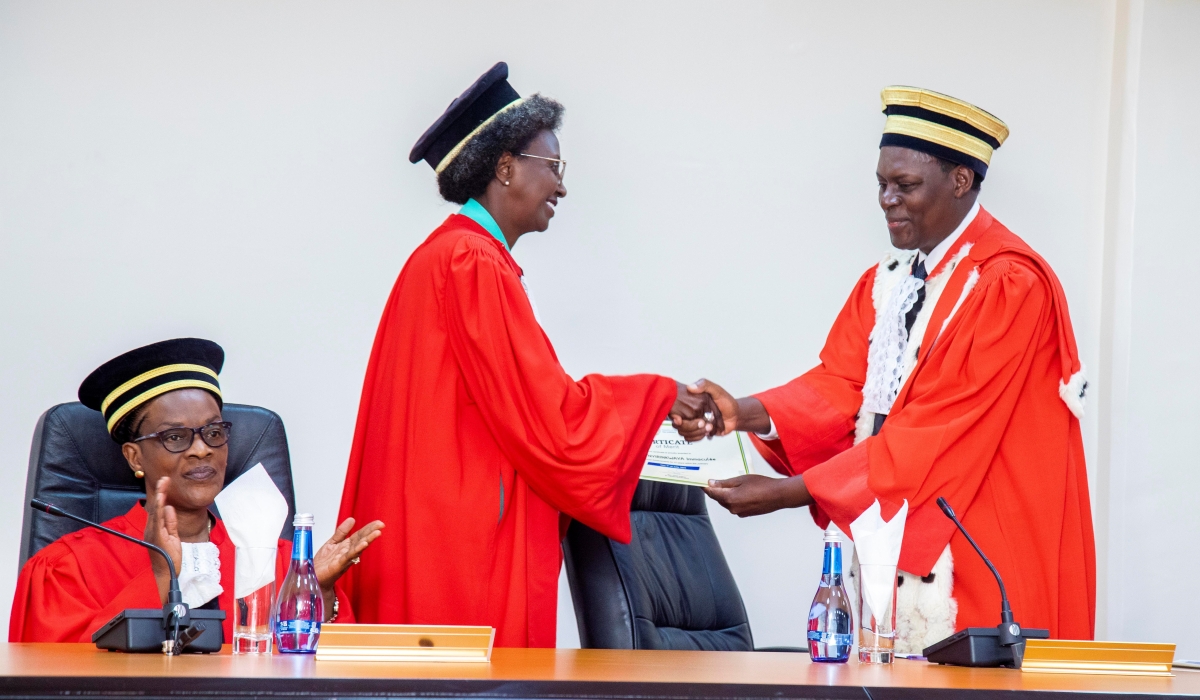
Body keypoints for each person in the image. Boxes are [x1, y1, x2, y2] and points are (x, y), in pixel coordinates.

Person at [692, 87, 1095, 653]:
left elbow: (936, 427)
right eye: (881, 184)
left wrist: (793, 491)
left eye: (904, 185)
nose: (886, 199)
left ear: (960, 181)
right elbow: (843, 386)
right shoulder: (891, 281)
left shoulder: (1008, 283)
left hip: (982, 543)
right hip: (900, 532)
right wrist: (743, 414)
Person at [337, 62, 719, 647]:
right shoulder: (471, 263)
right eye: (554, 167)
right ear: (506, 168)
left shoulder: (449, 257)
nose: (562, 187)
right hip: (456, 549)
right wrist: (661, 395)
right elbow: (550, 416)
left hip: (433, 524)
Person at [10, 338, 384, 643]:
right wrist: (161, 577)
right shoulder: (67, 568)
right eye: (175, 437)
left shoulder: (280, 563)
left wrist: (313, 592)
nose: (202, 448)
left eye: (214, 432)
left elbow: (329, 678)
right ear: (134, 455)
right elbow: (56, 679)